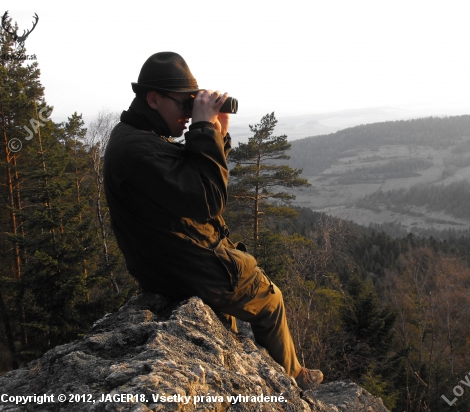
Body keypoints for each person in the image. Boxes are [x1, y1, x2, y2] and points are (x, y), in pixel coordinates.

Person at [103, 52, 323, 390]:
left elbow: (190, 175)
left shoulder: (135, 139)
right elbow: (207, 199)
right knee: (271, 299)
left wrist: (217, 132)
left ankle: (238, 368)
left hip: (167, 261)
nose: (188, 115)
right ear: (153, 99)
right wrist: (204, 128)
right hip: (184, 265)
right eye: (184, 105)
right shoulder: (139, 150)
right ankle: (294, 380)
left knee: (227, 313)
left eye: (193, 106)